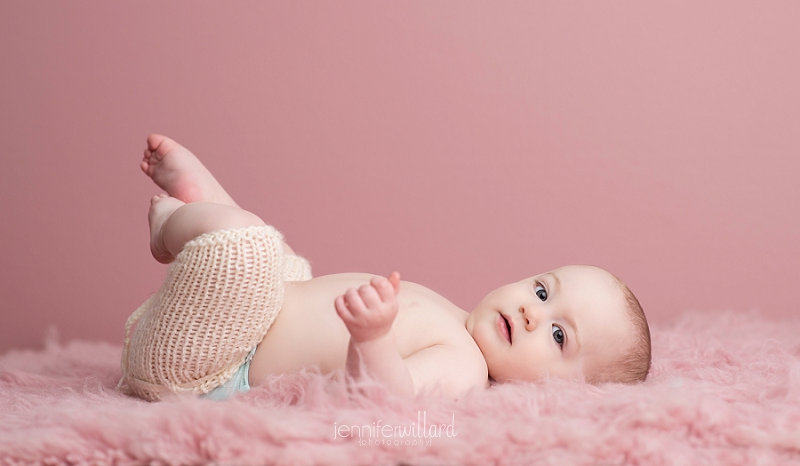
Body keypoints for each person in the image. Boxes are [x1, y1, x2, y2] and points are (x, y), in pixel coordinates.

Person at [119, 135, 651, 401]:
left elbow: (385, 398)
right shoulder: (458, 320)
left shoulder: (463, 369)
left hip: (213, 365)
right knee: (286, 262)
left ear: (566, 393)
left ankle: (174, 227)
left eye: (559, 334)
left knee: (249, 250)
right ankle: (205, 205)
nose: (534, 313)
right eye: (541, 290)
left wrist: (372, 339)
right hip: (240, 319)